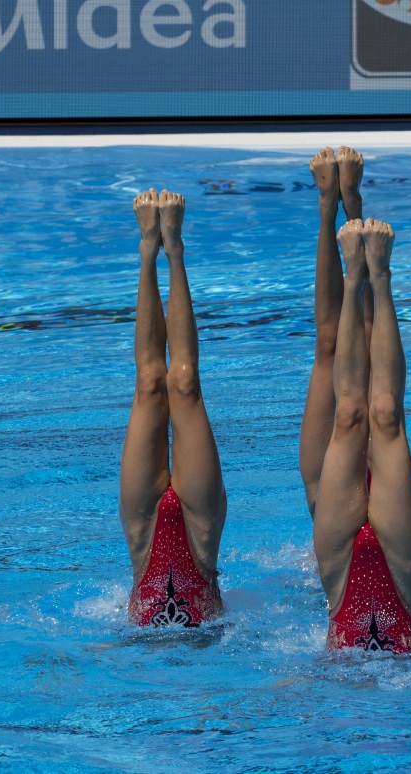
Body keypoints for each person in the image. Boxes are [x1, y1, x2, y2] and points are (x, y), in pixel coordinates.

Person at [309, 217, 411, 652]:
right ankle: (365, 277)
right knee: (360, 416)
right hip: (386, 587)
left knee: (376, 415)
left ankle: (371, 276)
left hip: (372, 587)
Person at [121, 189, 225, 628]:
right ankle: (169, 249)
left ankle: (157, 249)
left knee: (164, 384)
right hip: (197, 539)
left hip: (157, 541)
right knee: (173, 384)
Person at [299, 146, 364, 517]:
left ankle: (329, 209)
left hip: (329, 515)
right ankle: (348, 207)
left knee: (328, 347)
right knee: (359, 338)